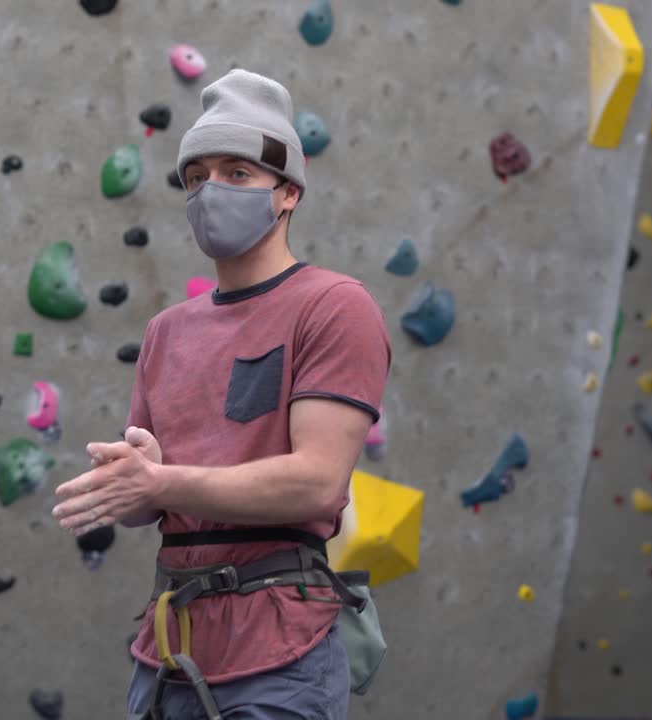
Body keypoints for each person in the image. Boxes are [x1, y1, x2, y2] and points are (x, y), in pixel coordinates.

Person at [52, 68, 392, 719]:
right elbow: (148, 504)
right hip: (168, 653)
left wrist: (163, 482)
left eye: (237, 173)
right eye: (196, 175)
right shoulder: (166, 331)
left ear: (288, 192)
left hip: (279, 654)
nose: (211, 191)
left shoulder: (333, 306)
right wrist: (131, 481)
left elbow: (317, 484)